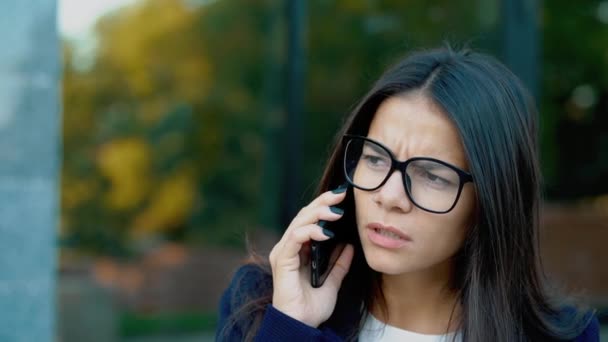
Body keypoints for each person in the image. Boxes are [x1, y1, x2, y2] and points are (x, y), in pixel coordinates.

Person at [215, 46, 600, 341]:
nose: (389, 196)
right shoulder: (263, 303)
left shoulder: (559, 334)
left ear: (490, 199)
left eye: (432, 176)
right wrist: (291, 328)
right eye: (376, 159)